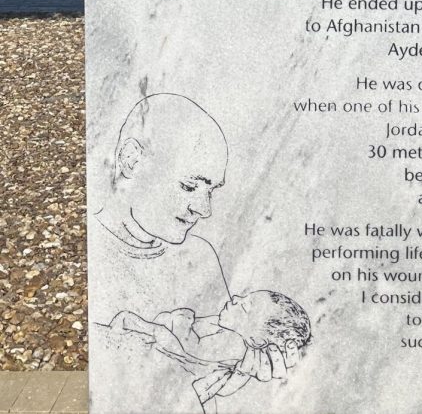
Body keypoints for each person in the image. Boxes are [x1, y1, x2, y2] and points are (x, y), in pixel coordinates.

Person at [90, 94, 299, 412]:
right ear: (131, 159)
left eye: (212, 191)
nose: (204, 209)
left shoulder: (202, 257)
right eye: (189, 186)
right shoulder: (92, 257)